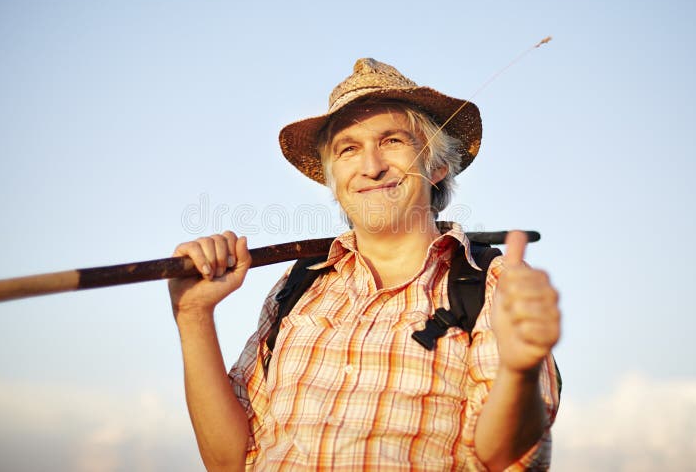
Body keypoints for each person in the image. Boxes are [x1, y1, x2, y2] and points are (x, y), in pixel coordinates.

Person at [169, 58, 561, 471]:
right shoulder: (299, 285)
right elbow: (230, 461)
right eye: (348, 149)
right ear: (334, 178)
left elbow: (503, 460)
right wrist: (194, 315)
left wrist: (519, 374)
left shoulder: (489, 285)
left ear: (438, 166)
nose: (371, 167)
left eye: (392, 141)